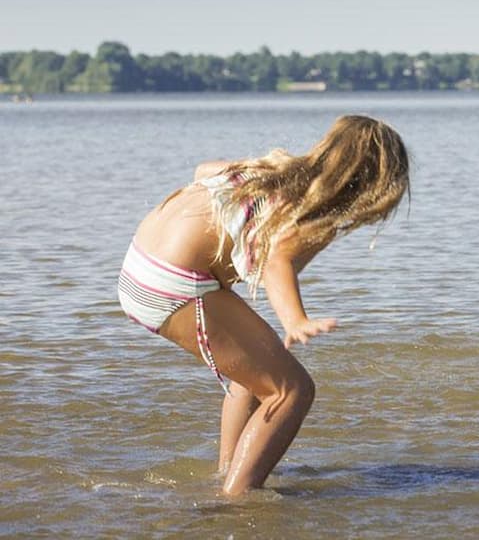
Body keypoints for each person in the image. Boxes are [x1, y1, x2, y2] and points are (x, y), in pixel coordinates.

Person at [117, 115, 409, 496]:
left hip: (140, 265)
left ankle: (228, 475)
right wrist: (295, 320)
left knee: (251, 379)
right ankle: (237, 500)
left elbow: (204, 170)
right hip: (172, 284)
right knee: (292, 390)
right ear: (371, 186)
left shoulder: (273, 170)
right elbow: (277, 260)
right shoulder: (313, 211)